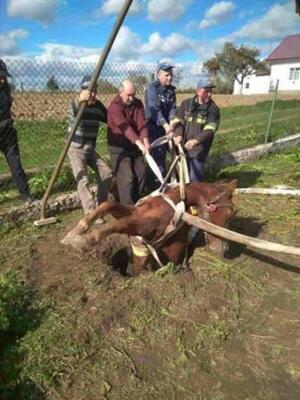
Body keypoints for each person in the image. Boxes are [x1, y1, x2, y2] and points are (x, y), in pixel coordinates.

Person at [67, 74, 112, 220]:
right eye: (89, 91)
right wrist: (81, 99)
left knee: (106, 173)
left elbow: (110, 118)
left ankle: (101, 206)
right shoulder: (78, 103)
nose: (92, 94)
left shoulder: (98, 106)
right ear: (82, 91)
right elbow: (75, 108)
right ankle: (90, 213)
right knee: (83, 179)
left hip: (90, 148)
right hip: (76, 148)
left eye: (95, 91)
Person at [107, 80, 150, 205]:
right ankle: (127, 210)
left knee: (141, 175)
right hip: (118, 148)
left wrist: (145, 141)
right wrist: (139, 143)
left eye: (133, 94)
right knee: (127, 179)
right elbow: (125, 127)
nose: (131, 98)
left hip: (134, 147)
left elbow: (142, 124)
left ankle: (136, 204)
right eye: (128, 95)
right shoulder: (114, 107)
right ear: (121, 93)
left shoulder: (138, 104)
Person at [173, 76, 220, 182]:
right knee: (180, 177)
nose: (210, 94)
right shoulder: (186, 104)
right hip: (182, 148)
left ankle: (194, 197)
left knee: (194, 178)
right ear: (198, 91)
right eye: (206, 91)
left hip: (199, 150)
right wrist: (178, 134)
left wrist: (196, 141)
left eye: (211, 91)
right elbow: (178, 121)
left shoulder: (213, 109)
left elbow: (209, 130)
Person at [0, 59, 33, 203]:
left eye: (4, 76)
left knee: (15, 163)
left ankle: (25, 195)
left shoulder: (5, 89)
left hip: (7, 133)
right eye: (0, 76)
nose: (2, 79)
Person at [144, 61, 176, 180]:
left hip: (168, 128)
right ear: (158, 75)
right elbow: (155, 110)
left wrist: (172, 123)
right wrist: (166, 126)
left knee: (176, 151)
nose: (170, 77)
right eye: (166, 75)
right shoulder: (152, 88)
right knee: (158, 159)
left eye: (171, 75)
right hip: (154, 128)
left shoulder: (171, 90)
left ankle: (174, 182)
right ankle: (157, 188)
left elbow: (173, 108)